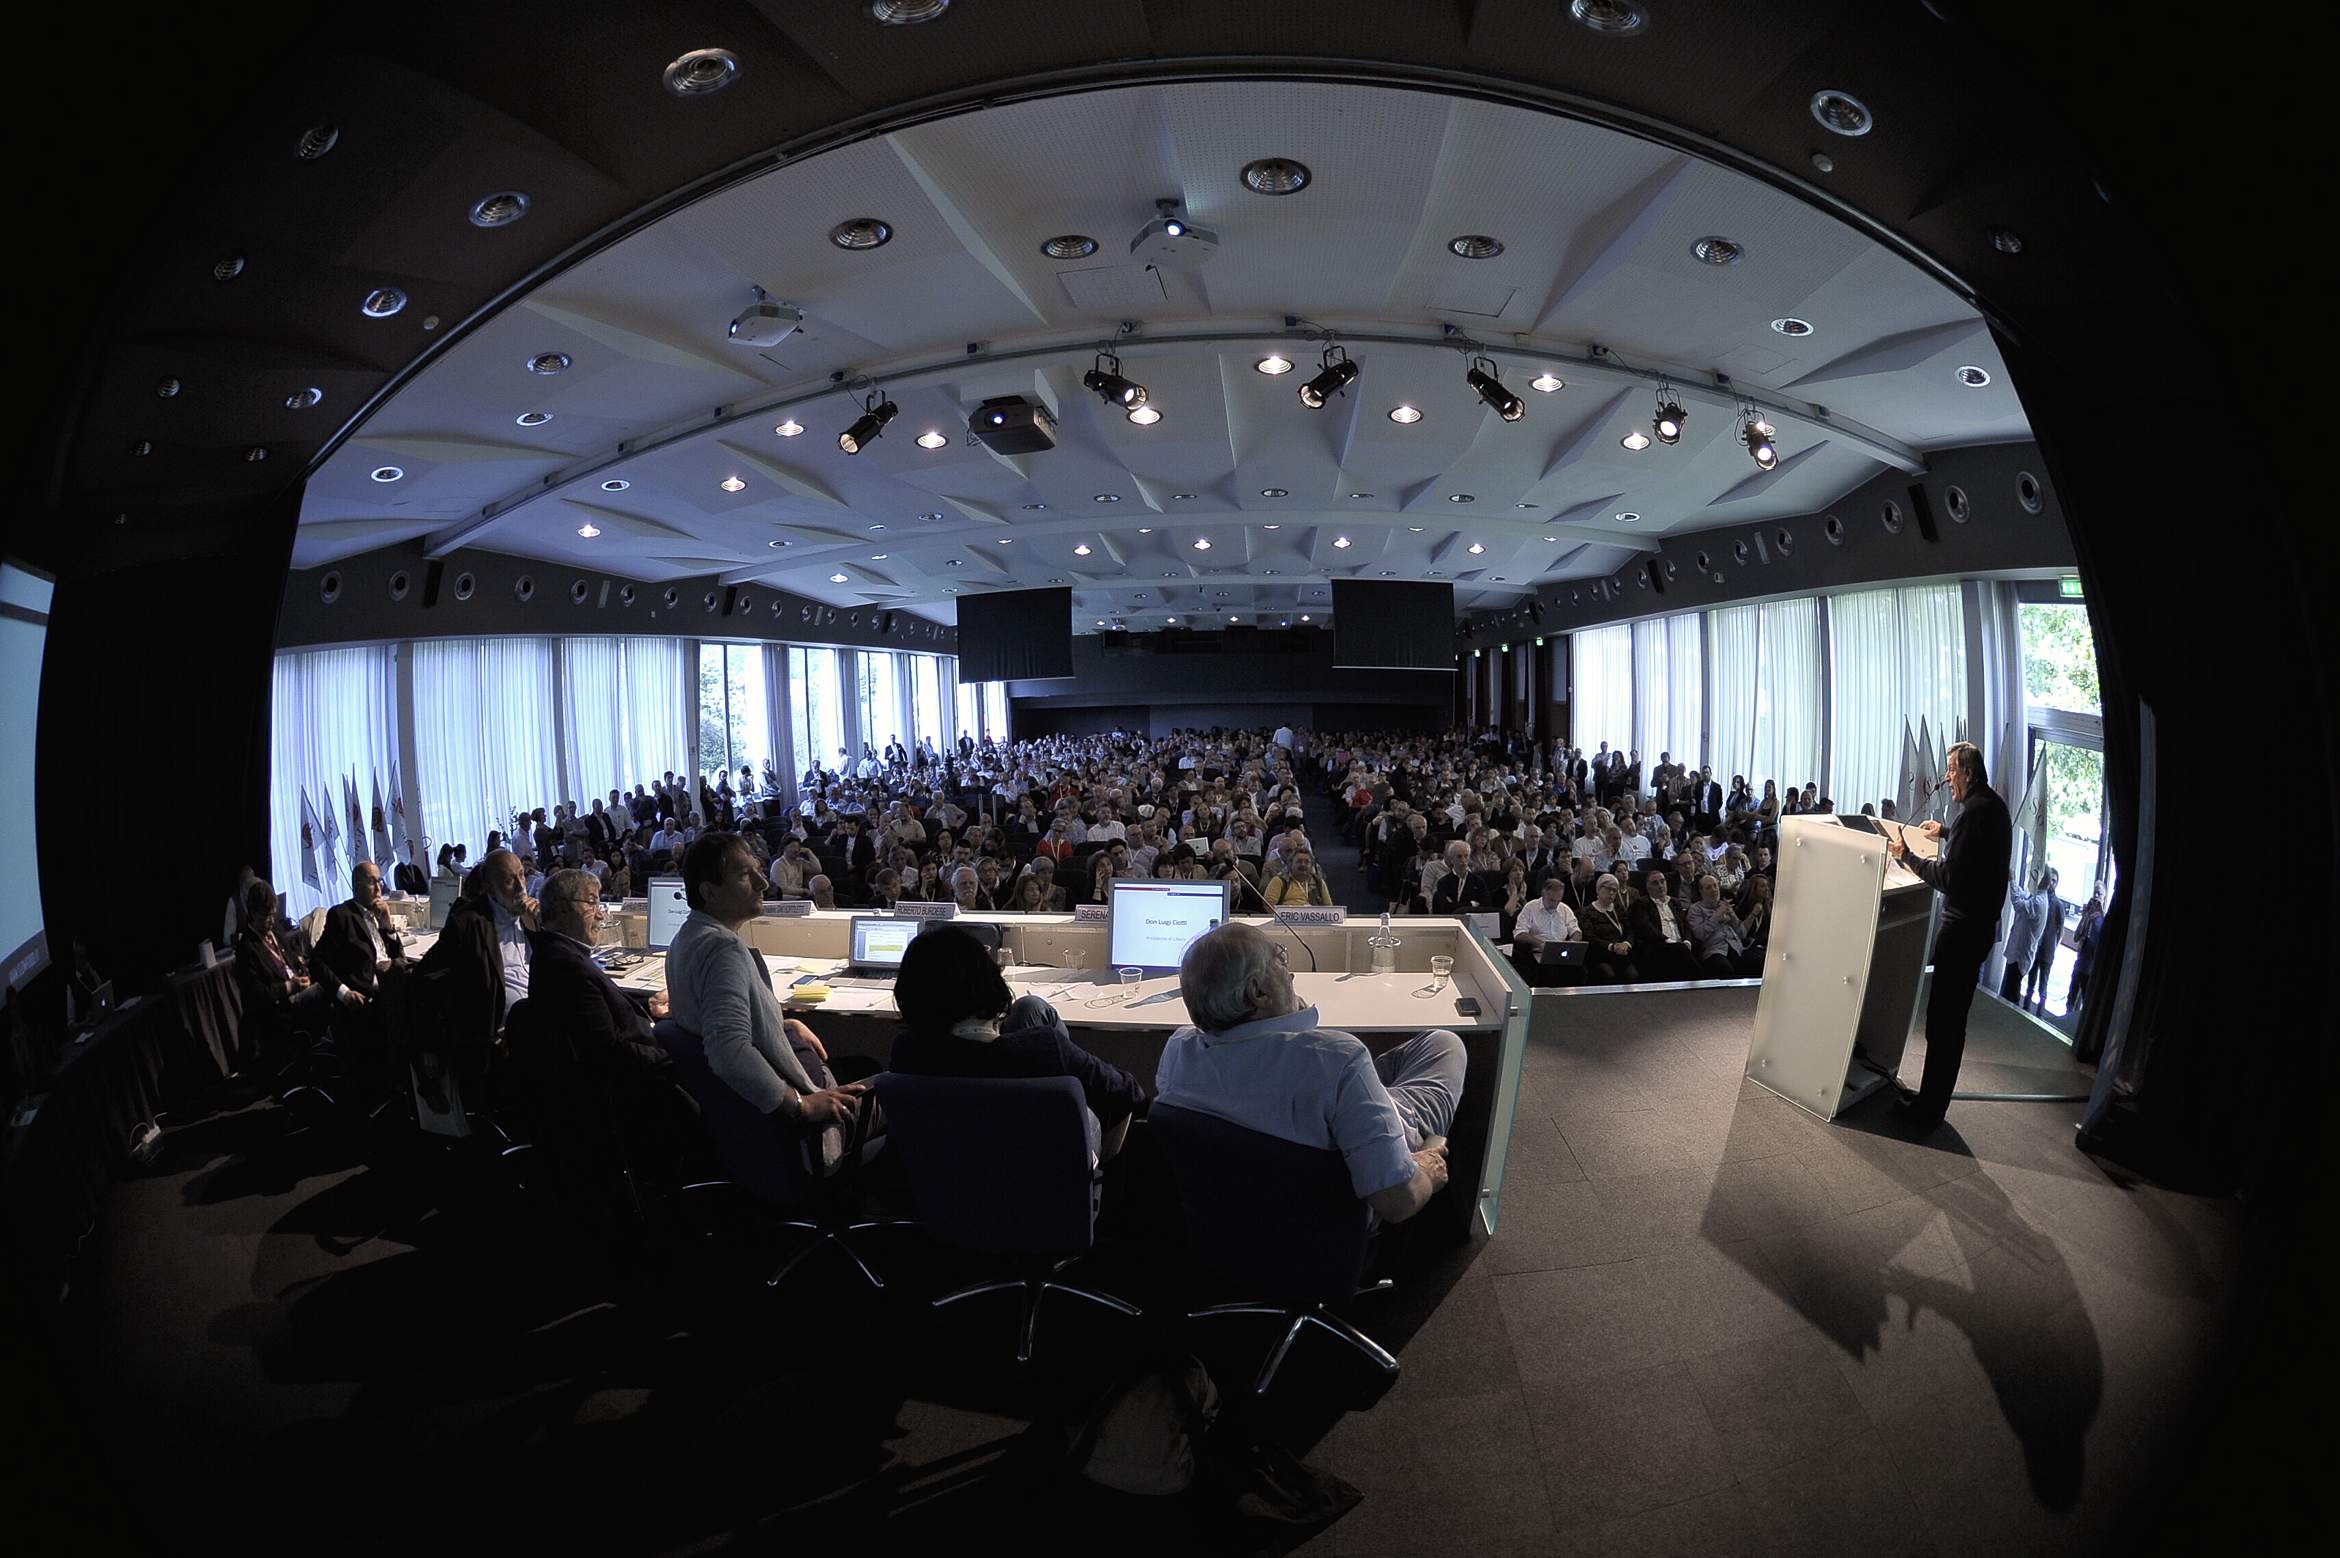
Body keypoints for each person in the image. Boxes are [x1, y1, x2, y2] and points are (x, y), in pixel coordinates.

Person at [1154, 924, 1458, 1227]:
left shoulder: (1177, 1051)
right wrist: (1426, 1171)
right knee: (1444, 1043)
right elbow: (1397, 1201)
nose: (1291, 975)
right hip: (1333, 1225)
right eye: (1279, 959)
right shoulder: (1338, 1060)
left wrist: (1285, 1016)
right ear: (1258, 992)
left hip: (1233, 1220)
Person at [667, 834, 873, 1175]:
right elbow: (728, 1050)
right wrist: (803, 1106)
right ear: (709, 892)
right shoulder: (723, 951)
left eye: (759, 871)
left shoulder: (685, 939)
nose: (763, 883)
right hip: (802, 1132)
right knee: (901, 1095)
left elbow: (712, 1023)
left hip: (748, 1128)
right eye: (744, 875)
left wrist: (780, 1023)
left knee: (860, 1064)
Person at [889, 925, 1148, 1161]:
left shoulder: (905, 1052)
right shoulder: (1044, 1048)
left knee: (1030, 1007)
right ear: (987, 981)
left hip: (950, 1180)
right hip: (1045, 1182)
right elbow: (1127, 1094)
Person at [1887, 741, 2014, 1128]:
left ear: (1968, 773)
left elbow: (1949, 878)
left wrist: (1906, 857)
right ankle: (1931, 1099)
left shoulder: (1973, 813)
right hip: (1978, 932)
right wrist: (1945, 832)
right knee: (1950, 1022)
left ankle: (1928, 1112)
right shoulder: (1991, 806)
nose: (1946, 778)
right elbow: (1976, 853)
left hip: (1961, 933)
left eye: (1951, 770)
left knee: (1943, 1025)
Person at [419, 848, 536, 1042]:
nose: (520, 887)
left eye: (522, 875)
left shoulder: (533, 916)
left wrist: (542, 929)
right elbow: (427, 978)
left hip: (542, 1014)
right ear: (489, 887)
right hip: (501, 1033)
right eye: (509, 880)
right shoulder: (467, 923)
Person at [311, 860, 406, 1003]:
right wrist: (344, 993)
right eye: (371, 882)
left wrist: (387, 925)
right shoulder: (342, 915)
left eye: (379, 881)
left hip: (392, 980)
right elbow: (316, 962)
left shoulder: (378, 912)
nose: (378, 888)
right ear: (357, 887)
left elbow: (398, 955)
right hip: (371, 994)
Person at [1627, 867, 1701, 981]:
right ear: (1648, 887)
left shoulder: (1675, 902)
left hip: (1681, 945)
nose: (1660, 886)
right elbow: (1646, 928)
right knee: (1681, 950)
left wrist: (1687, 940)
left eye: (1662, 881)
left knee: (1696, 947)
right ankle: (1702, 981)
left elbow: (1686, 925)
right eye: (1655, 883)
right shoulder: (1641, 903)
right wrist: (1666, 940)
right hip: (1658, 945)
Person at [1509, 877, 1583, 988]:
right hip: (1538, 953)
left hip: (1562, 953)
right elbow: (1519, 934)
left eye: (1558, 901)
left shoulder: (1564, 909)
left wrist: (1572, 943)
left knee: (1580, 971)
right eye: (1552, 900)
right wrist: (1540, 943)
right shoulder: (1530, 908)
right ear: (1544, 893)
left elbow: (1576, 931)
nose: (1555, 904)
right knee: (1551, 972)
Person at [1686, 873, 1763, 977]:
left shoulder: (1724, 905)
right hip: (1714, 951)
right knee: (1724, 968)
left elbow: (1742, 933)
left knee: (1759, 961)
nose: (1714, 890)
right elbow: (1700, 935)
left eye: (1715, 886)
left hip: (1737, 948)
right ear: (1701, 892)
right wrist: (1717, 915)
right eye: (1708, 888)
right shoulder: (1695, 909)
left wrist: (1732, 916)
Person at [1999, 867, 2055, 1003]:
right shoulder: (2037, 897)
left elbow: (2018, 905)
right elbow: (2023, 897)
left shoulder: (2038, 902)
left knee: (2010, 996)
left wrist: (2012, 881)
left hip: (2020, 956)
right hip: (2019, 954)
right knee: (2008, 991)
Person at [2024, 869, 2066, 1014]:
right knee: (2030, 982)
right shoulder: (2039, 898)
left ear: (2057, 883)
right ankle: (2025, 1009)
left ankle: (2040, 1014)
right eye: (2050, 879)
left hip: (2048, 951)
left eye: (2054, 880)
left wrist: (2054, 947)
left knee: (2043, 985)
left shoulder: (2058, 905)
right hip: (2036, 947)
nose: (2051, 883)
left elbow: (2061, 930)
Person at [2066, 894, 2105, 1017]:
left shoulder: (2101, 922)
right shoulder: (2087, 918)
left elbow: (2096, 945)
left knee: (2084, 1000)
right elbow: (2076, 937)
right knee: (2071, 998)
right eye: (2093, 899)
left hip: (2089, 969)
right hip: (2079, 965)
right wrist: (2084, 917)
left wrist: (2093, 920)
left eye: (2099, 896)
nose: (2095, 898)